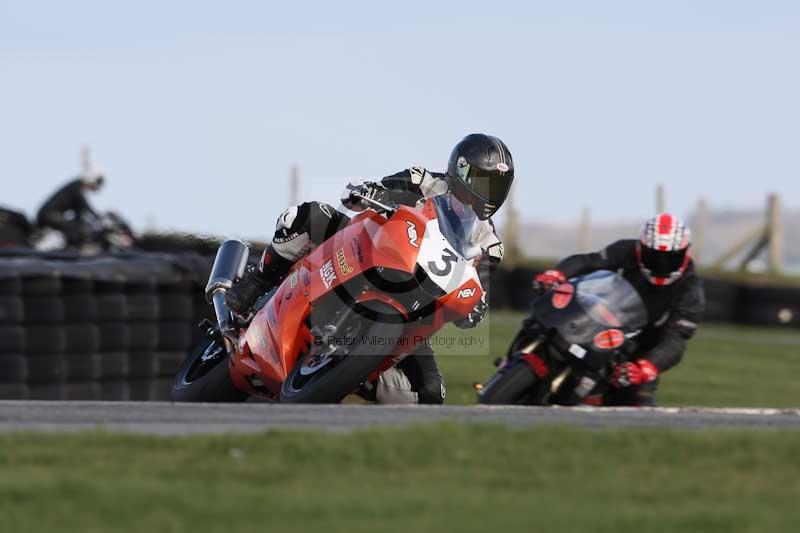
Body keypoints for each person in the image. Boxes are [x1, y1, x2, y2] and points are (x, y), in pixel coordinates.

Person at [225, 133, 514, 404]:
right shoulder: (423, 180)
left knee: (431, 393)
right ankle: (258, 283)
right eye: (482, 180)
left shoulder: (491, 245)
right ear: (460, 169)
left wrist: (476, 307)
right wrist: (369, 192)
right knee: (308, 216)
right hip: (368, 252)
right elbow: (382, 192)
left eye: (497, 187)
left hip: (414, 309)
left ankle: (353, 376)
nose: (488, 193)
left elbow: (479, 289)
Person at [532, 213, 705, 406]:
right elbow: (588, 262)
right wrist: (556, 274)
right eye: (653, 256)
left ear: (685, 253)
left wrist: (646, 366)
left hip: (638, 352)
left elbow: (677, 339)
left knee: (641, 404)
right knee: (544, 319)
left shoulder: (691, 290)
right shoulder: (626, 250)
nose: (661, 264)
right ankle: (518, 356)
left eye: (670, 258)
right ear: (641, 248)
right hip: (598, 323)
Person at [36, 171, 105, 247]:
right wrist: (100, 218)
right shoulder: (77, 187)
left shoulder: (77, 187)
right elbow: (85, 207)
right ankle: (70, 251)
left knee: (77, 227)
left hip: (47, 214)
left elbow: (80, 212)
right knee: (72, 229)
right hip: (48, 215)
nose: (96, 187)